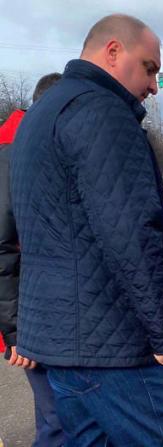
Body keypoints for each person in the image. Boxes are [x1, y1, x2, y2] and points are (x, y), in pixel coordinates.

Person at [10, 14, 163, 446]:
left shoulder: (40, 117)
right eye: (149, 68)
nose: (153, 85)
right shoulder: (103, 113)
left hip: (60, 346)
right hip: (114, 348)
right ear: (113, 52)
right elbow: (131, 237)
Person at [1, 73, 64, 447]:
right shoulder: (15, 154)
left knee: (56, 415)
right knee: (60, 416)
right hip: (33, 319)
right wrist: (15, 333)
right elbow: (3, 248)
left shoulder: (39, 146)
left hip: (49, 314)